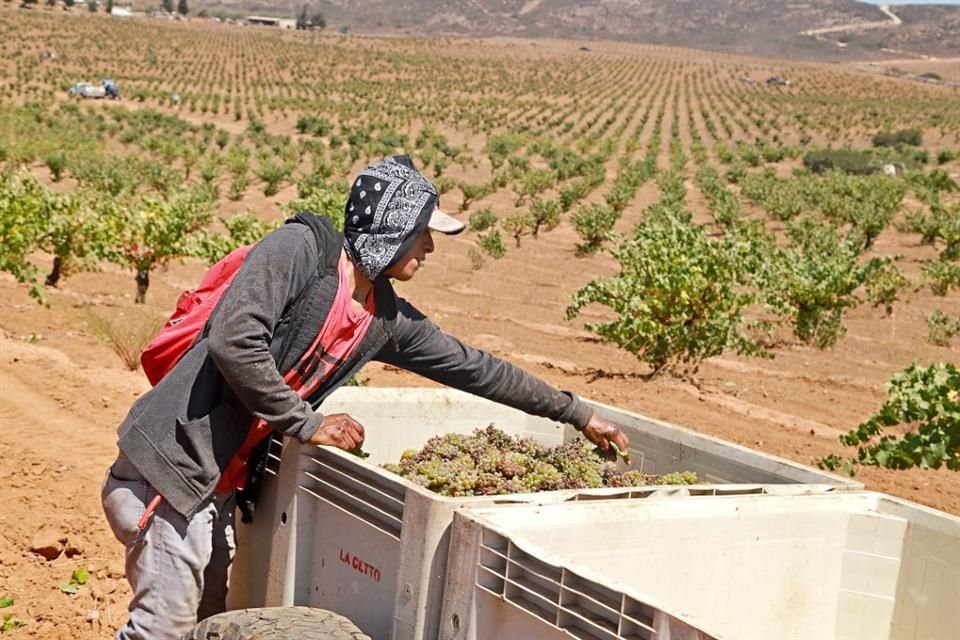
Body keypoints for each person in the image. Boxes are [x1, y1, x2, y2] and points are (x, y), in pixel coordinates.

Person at [100, 154, 630, 640]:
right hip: (168, 469)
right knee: (161, 633)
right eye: (423, 232)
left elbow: (475, 368)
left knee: (207, 625)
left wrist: (576, 412)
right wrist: (306, 422)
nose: (429, 247)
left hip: (215, 486)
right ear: (392, 227)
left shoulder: (382, 316)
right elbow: (235, 341)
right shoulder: (299, 251)